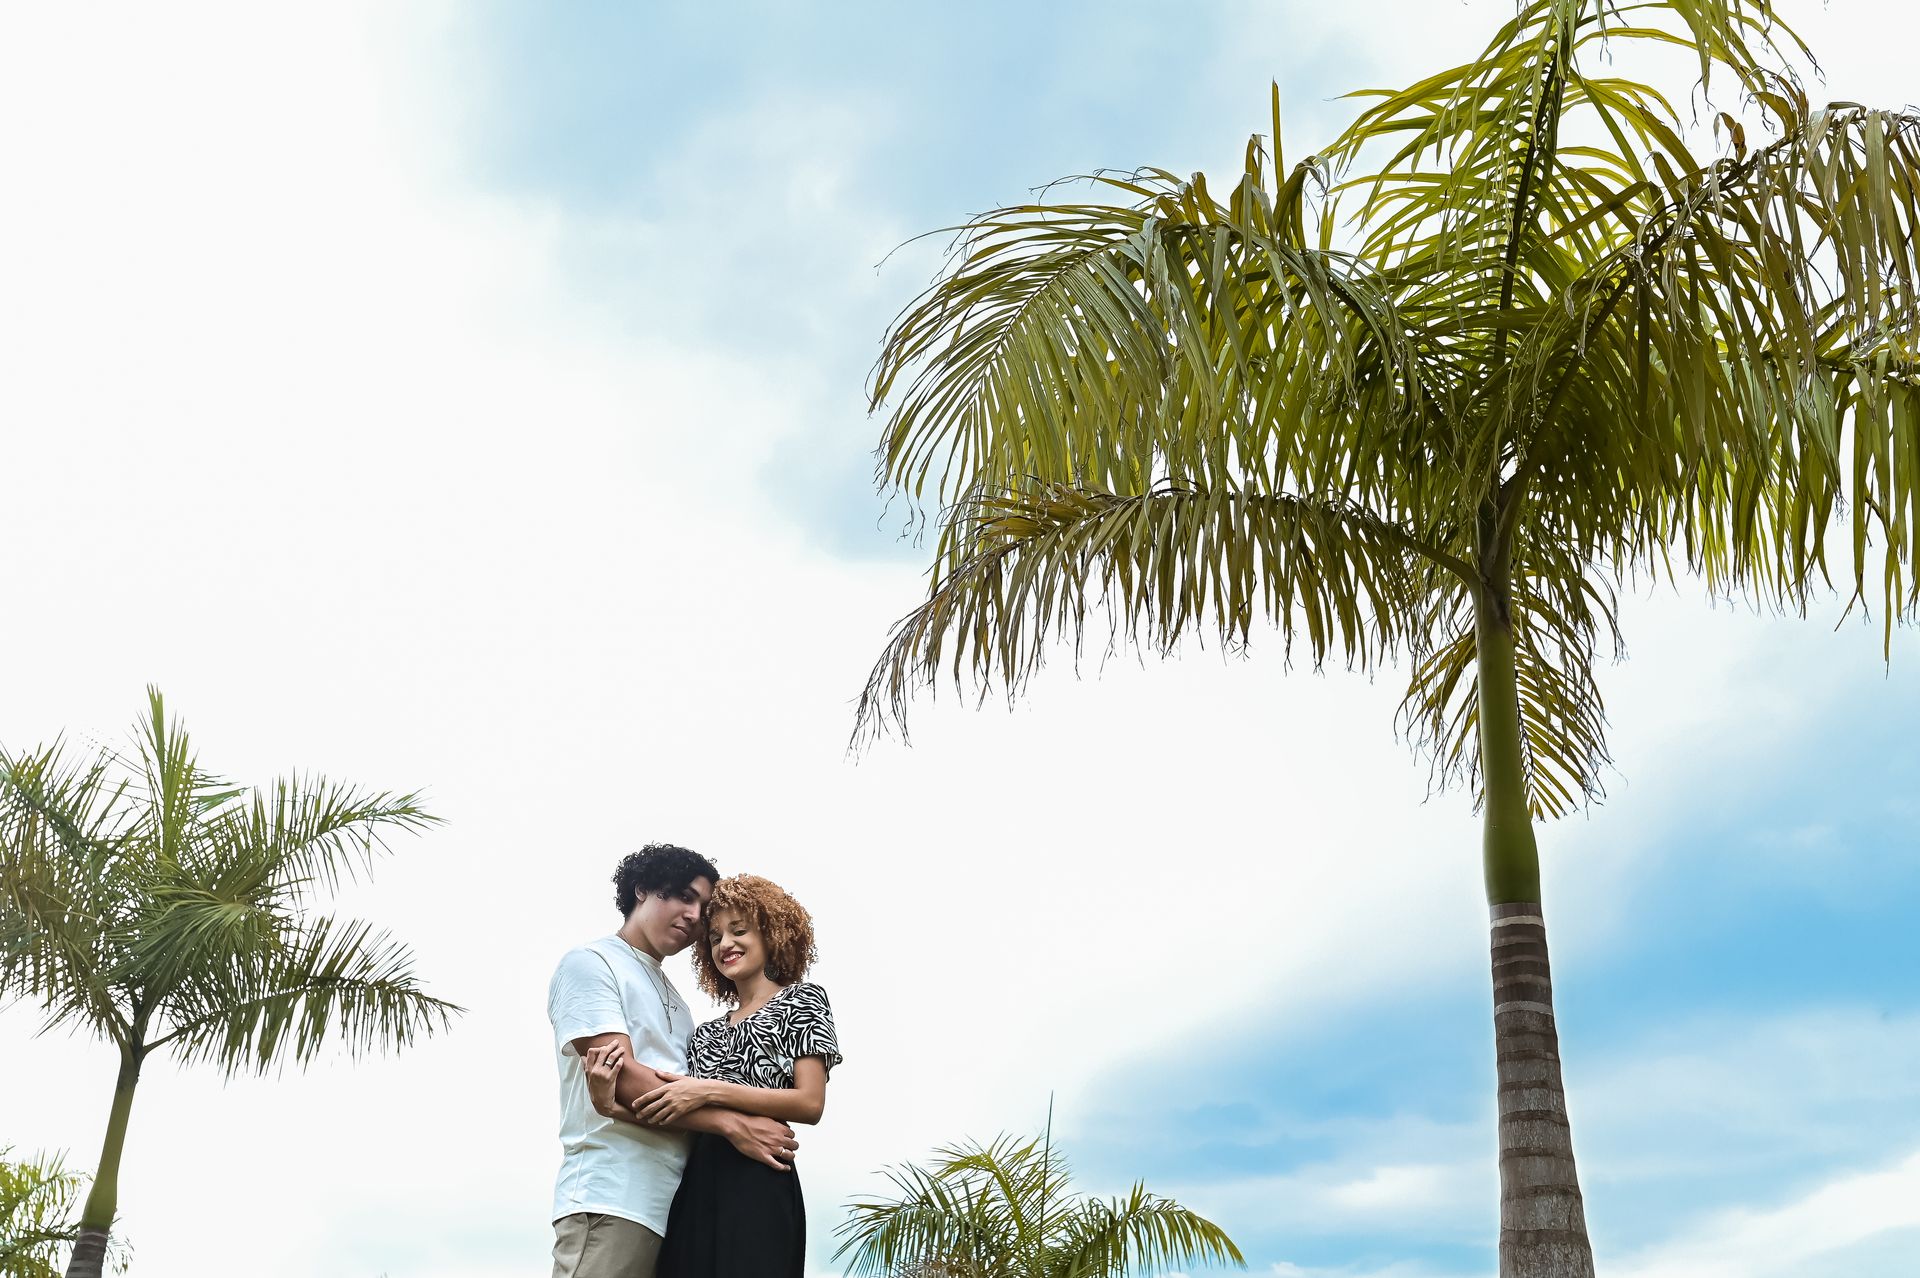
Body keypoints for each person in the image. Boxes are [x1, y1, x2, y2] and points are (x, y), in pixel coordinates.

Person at [547, 845, 801, 1278]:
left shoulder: (680, 1006)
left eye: (702, 908)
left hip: (680, 1213)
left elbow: (679, 1099)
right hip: (613, 1198)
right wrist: (732, 1124)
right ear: (642, 889)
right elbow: (625, 1077)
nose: (693, 915)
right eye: (684, 896)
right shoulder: (592, 963)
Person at [584, 873, 841, 1278]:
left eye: (739, 931)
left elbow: (810, 1103)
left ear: (771, 933)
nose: (725, 945)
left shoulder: (801, 999)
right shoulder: (704, 1033)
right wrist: (609, 1106)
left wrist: (708, 1090)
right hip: (694, 1188)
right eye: (716, 937)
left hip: (759, 1179)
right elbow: (677, 1110)